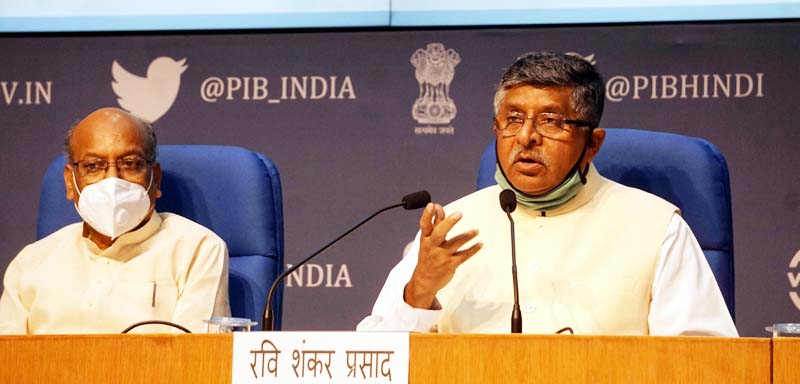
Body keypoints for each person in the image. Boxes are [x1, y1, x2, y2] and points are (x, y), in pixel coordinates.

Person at [358, 51, 737, 336]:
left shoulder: (656, 229)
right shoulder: (449, 231)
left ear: (592, 144)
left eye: (550, 121)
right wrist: (420, 289)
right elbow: (374, 360)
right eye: (513, 119)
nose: (526, 137)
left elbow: (703, 361)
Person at [0, 107, 230, 334]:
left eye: (130, 164)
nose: (112, 179)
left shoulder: (197, 250)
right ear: (70, 182)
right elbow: (8, 362)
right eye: (93, 166)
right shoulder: (30, 263)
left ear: (156, 179)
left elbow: (197, 362)